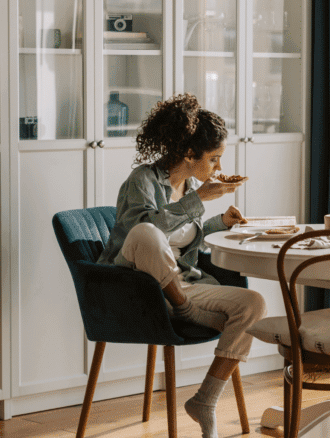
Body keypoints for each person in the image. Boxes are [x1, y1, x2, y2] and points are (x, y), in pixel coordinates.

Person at [97, 93, 266, 438]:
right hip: (138, 287)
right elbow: (146, 235)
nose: (218, 168)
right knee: (146, 232)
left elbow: (185, 241)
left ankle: (205, 399)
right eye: (214, 159)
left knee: (254, 306)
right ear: (189, 154)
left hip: (181, 284)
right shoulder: (144, 180)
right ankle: (184, 307)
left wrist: (221, 222)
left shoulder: (188, 186)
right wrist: (199, 200)